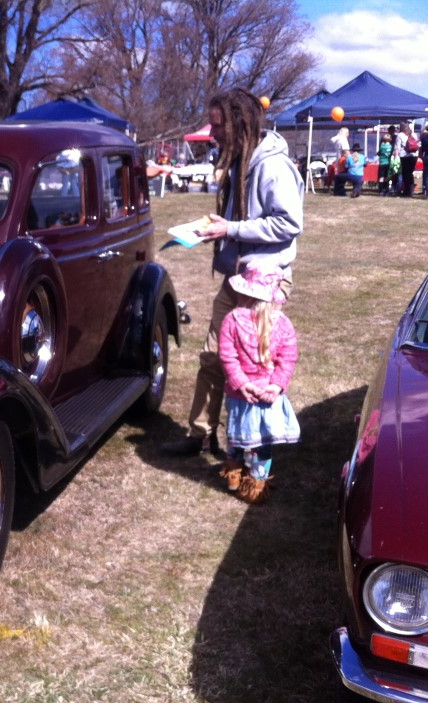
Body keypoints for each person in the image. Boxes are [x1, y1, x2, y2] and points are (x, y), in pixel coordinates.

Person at [165, 87, 303, 457]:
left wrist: (232, 229)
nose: (212, 134)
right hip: (238, 279)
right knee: (214, 356)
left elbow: (290, 223)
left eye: (217, 126)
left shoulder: (272, 166)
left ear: (239, 123)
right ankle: (200, 435)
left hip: (265, 282)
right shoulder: (242, 160)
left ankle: (254, 446)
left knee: (256, 363)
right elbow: (242, 218)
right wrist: (217, 227)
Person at [217, 264, 300, 503]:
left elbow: (227, 357)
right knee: (262, 442)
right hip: (267, 396)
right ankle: (256, 487)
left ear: (245, 292)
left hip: (239, 394)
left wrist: (241, 384)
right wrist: (276, 386)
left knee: (236, 434)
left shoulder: (231, 320)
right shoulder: (283, 324)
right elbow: (288, 358)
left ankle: (233, 476)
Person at [399, 121, 419, 197]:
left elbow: (397, 147)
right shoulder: (414, 135)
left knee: (405, 174)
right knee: (410, 173)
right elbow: (418, 145)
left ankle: (406, 191)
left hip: (404, 156)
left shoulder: (400, 135)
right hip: (414, 156)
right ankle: (411, 190)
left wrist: (395, 156)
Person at [377, 129, 393, 195]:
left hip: (381, 163)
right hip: (388, 163)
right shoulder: (391, 146)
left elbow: (378, 153)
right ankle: (386, 189)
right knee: (386, 177)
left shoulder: (382, 146)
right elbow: (391, 154)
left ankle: (380, 190)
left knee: (381, 177)